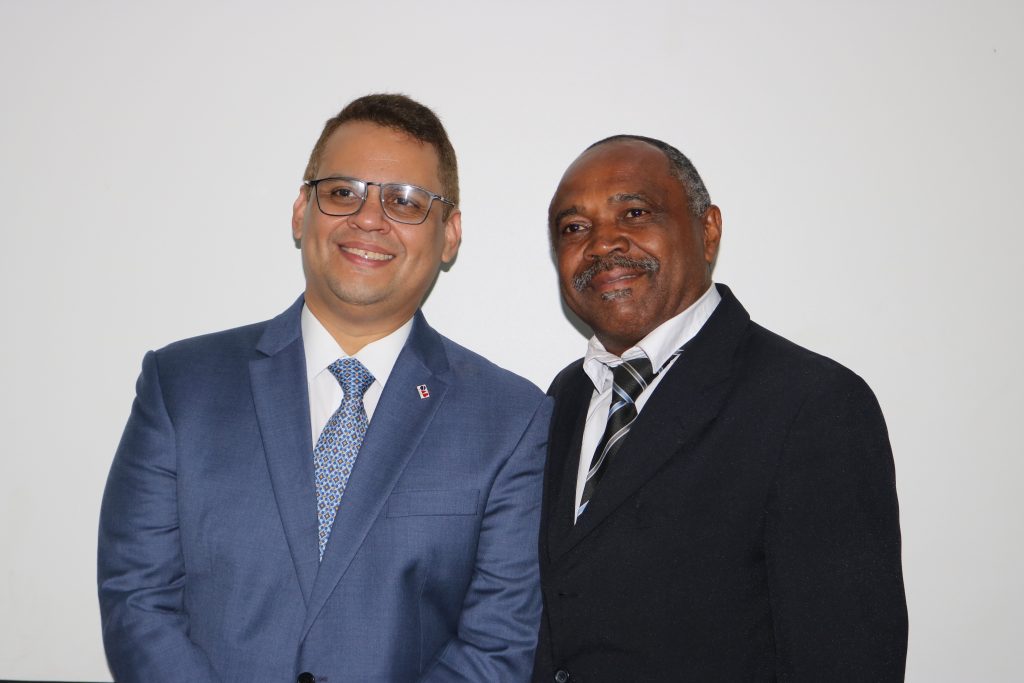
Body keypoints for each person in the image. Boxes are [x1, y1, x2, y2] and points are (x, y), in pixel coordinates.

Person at [98, 94, 550, 682]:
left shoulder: (511, 420)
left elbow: (496, 644)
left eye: (405, 201)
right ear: (300, 212)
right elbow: (138, 601)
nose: (369, 218)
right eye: (342, 192)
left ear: (449, 235)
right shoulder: (180, 386)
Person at [532, 135, 908, 682]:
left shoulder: (812, 403)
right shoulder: (564, 397)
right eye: (573, 228)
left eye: (634, 213)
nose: (602, 243)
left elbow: (847, 659)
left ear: (708, 230)